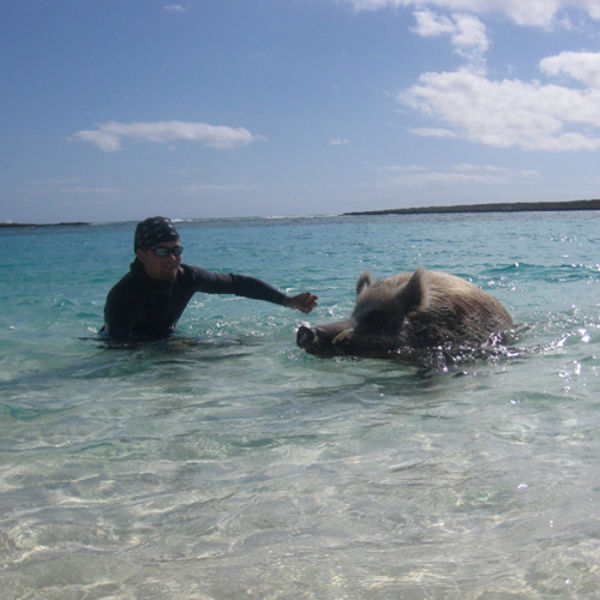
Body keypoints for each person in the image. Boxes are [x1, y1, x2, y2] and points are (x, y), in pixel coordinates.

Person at [102, 216, 318, 342]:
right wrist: (167, 349)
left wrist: (287, 301)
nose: (172, 258)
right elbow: (120, 348)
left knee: (240, 346)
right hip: (131, 346)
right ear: (141, 255)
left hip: (168, 341)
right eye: (162, 252)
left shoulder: (187, 277)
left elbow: (236, 284)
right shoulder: (124, 296)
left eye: (177, 250)